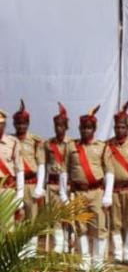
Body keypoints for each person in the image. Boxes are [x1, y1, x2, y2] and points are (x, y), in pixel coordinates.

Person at [61, 106, 109, 270]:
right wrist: (63, 195)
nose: (86, 131)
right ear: (79, 129)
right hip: (78, 192)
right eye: (83, 128)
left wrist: (107, 194)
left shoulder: (102, 146)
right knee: (80, 227)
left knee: (99, 226)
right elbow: (64, 171)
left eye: (89, 128)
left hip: (96, 192)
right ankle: (85, 260)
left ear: (94, 129)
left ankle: (97, 261)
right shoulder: (71, 146)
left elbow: (109, 172)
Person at [103, 102, 128, 266]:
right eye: (117, 127)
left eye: (122, 127)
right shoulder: (108, 145)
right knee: (116, 223)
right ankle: (118, 253)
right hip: (114, 190)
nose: (119, 130)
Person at [12, 99, 44, 254]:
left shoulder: (35, 141)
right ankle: (18, 250)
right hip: (15, 185)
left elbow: (41, 164)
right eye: (18, 124)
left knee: (31, 219)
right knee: (17, 218)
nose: (21, 126)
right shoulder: (9, 140)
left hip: (31, 184)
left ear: (28, 124)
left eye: (24, 123)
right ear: (14, 125)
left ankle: (30, 251)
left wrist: (39, 186)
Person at [43, 104, 71, 253]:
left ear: (66, 127)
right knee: (55, 215)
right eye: (56, 126)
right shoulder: (48, 144)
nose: (58, 128)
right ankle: (59, 244)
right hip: (52, 184)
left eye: (61, 126)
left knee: (67, 215)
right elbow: (45, 163)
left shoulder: (71, 144)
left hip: (67, 185)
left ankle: (68, 242)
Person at [0, 109, 24, 219]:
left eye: (1, 124)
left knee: (8, 226)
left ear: (4, 125)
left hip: (7, 189)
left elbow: (19, 170)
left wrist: (20, 196)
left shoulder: (13, 142)